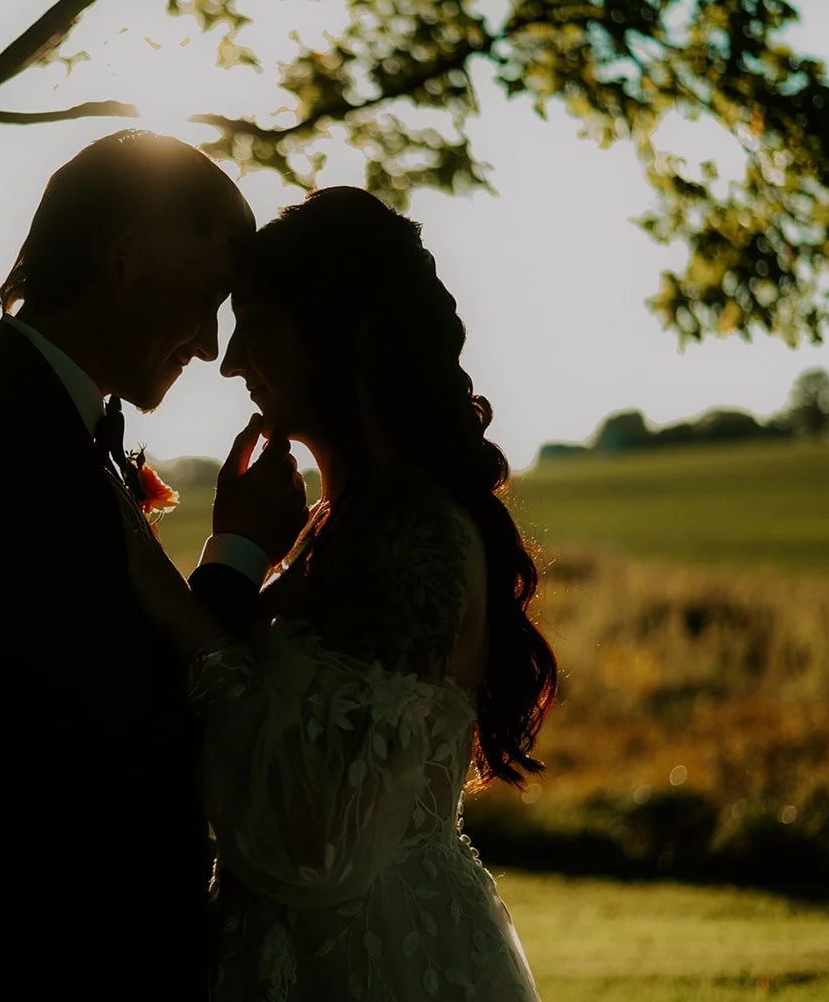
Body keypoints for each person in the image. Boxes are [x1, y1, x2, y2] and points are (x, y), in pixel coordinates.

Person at [0, 130, 309, 1000]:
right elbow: (136, 729)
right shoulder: (12, 447)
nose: (206, 346)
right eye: (205, 298)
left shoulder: (36, 418)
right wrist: (236, 559)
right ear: (121, 260)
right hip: (52, 957)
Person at [124, 186, 559, 1001]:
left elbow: (321, 839)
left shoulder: (408, 534)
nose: (230, 359)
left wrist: (176, 609)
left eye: (257, 321)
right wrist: (241, 555)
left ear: (338, 333)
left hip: (374, 962)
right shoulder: (340, 524)